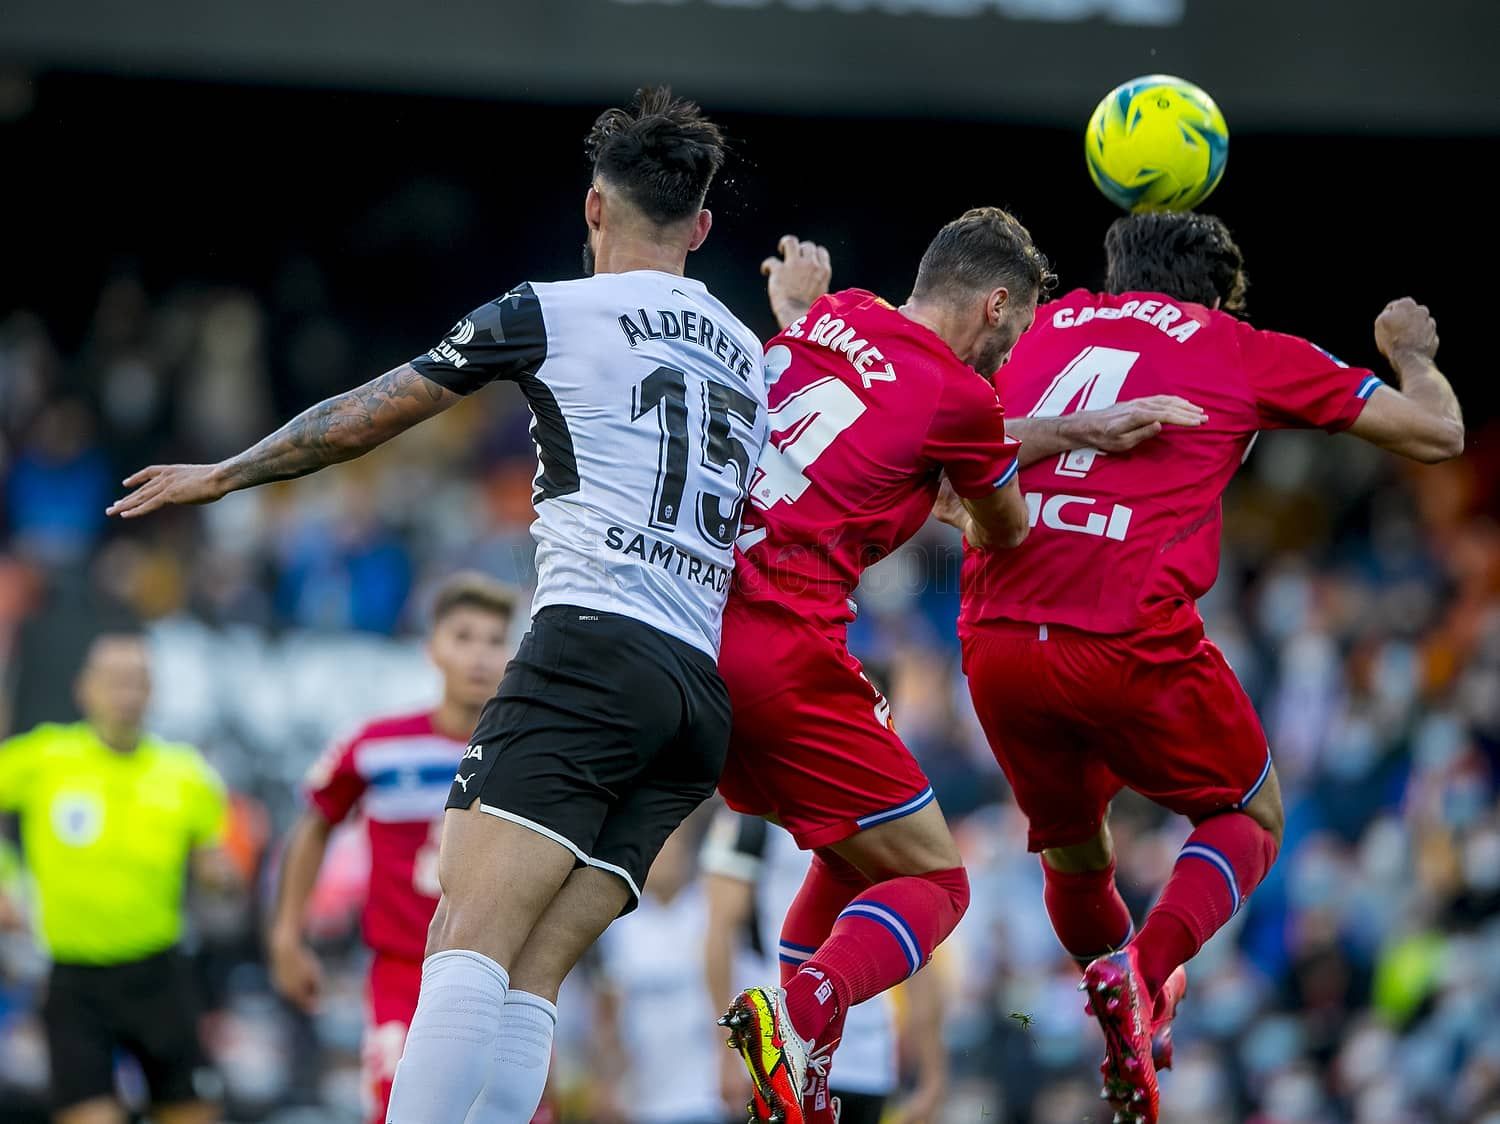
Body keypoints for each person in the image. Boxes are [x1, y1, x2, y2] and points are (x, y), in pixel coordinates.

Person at [110, 86, 765, 1124]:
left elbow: (363, 418)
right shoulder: (747, 353)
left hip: (590, 648)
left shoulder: (551, 309)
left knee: (463, 939)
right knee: (533, 973)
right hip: (697, 696)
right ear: (704, 225)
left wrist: (226, 474)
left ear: (594, 210)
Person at [948, 211, 1464, 1123]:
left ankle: (1119, 1003)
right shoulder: (1237, 345)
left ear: (1114, 273)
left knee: (1075, 853)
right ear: (1218, 293)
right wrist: (1410, 352)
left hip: (995, 641)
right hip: (1124, 637)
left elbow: (952, 470)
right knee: (1249, 813)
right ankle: (1144, 980)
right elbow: (1438, 435)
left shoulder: (1042, 327)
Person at [715, 216, 1202, 1124]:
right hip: (786, 648)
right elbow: (997, 523)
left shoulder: (838, 318)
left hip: (703, 627)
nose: (1004, 354)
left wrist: (796, 308)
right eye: (1010, 337)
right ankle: (802, 1012)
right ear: (997, 302)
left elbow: (899, 434)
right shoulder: (956, 396)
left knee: (854, 854)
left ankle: (804, 1086)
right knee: (940, 883)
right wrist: (1063, 450)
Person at [267, 574, 525, 1124]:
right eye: (463, 637)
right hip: (403, 973)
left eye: (494, 640)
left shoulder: (526, 753)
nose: (479, 655)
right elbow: (315, 823)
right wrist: (289, 933)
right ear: (431, 648)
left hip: (503, 974)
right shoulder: (378, 746)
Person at [0, 632, 234, 1124]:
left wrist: (222, 877)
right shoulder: (44, 759)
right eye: (113, 681)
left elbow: (215, 864)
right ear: (83, 688)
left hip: (159, 976)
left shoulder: (186, 775)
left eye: (137, 682)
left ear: (152, 692)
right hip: (74, 980)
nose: (125, 694)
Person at [701, 809, 945, 1124]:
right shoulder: (755, 811)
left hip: (867, 1057)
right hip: (781, 1050)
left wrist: (932, 1071)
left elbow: (917, 940)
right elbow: (719, 933)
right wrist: (726, 1052)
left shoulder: (882, 812)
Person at [590, 819, 727, 1124]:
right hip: (646, 1099)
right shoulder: (618, 925)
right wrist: (609, 1082)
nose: (665, 858)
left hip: (707, 1092)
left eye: (673, 848)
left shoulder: (710, 913)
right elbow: (610, 1007)